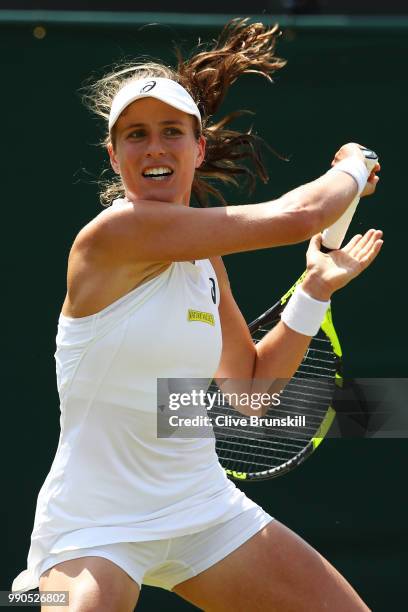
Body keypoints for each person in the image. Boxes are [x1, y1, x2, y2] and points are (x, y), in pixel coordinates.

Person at [13, 20, 381, 611]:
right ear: (115, 156)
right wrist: (355, 166)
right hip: (93, 527)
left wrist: (312, 292)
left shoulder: (206, 263)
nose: (154, 147)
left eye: (170, 132)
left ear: (198, 147)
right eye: (135, 135)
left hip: (203, 511)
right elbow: (300, 216)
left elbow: (253, 390)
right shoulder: (113, 235)